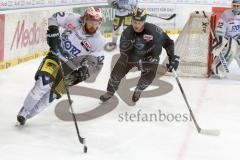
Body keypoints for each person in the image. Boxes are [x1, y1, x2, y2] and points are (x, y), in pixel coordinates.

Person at [17, 7, 105, 125]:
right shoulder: (73, 19)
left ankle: (28, 115)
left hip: (72, 69)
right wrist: (53, 32)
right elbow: (54, 17)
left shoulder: (99, 41)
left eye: (97, 23)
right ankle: (25, 111)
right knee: (42, 83)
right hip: (56, 55)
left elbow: (97, 62)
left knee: (52, 95)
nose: (93, 26)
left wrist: (86, 69)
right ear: (84, 19)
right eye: (91, 22)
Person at [100, 8, 179, 103]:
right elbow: (124, 53)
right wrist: (139, 61)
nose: (136, 25)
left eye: (139, 22)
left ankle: (139, 89)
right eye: (134, 22)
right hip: (131, 57)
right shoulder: (127, 33)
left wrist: (172, 58)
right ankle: (109, 92)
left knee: (149, 74)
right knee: (115, 75)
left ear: (144, 21)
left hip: (151, 56)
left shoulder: (154, 30)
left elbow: (168, 42)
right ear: (131, 20)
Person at [211, 0, 240, 78]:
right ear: (232, 5)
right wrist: (220, 36)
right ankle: (217, 70)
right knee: (230, 52)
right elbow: (221, 26)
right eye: (234, 5)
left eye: (238, 6)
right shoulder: (226, 14)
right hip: (229, 38)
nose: (236, 7)